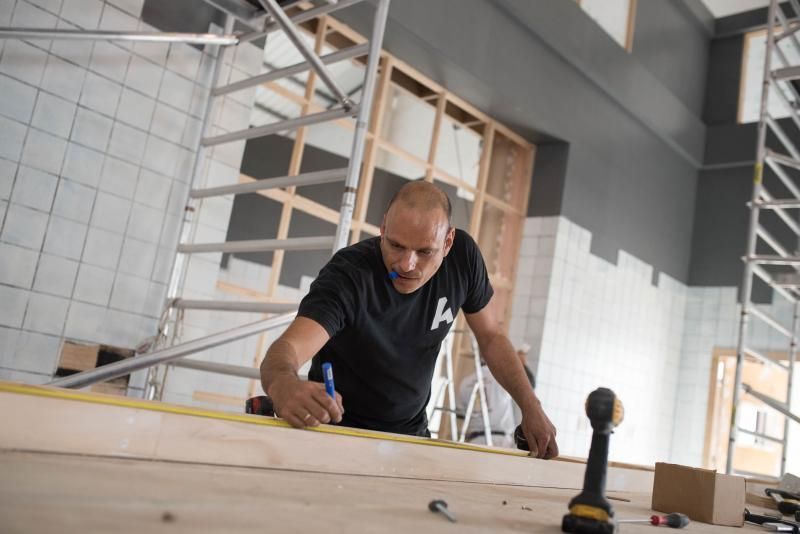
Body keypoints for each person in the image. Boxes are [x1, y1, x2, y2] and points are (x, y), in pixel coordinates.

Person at [260, 181, 558, 459]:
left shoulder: (463, 260)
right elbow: (286, 351)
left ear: (448, 242)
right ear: (383, 228)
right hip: (335, 432)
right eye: (396, 246)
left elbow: (491, 337)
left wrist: (531, 406)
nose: (406, 264)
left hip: (410, 436)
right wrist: (284, 384)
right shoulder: (349, 276)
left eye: (424, 251)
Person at [457, 343, 536, 447]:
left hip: (474, 443)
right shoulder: (502, 377)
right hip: (501, 443)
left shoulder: (465, 383)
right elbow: (530, 385)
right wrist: (521, 364)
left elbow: (460, 415)